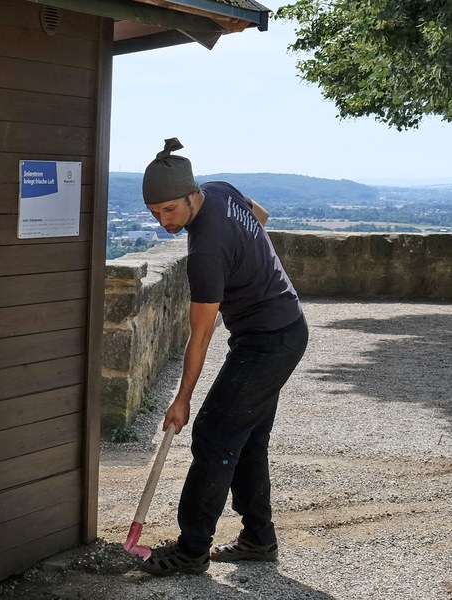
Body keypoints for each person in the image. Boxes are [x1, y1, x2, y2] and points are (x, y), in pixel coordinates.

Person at [136, 138, 309, 576]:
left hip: (268, 341)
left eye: (170, 211)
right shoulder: (222, 190)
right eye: (155, 214)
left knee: (214, 432)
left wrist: (182, 399)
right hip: (283, 326)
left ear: (192, 195)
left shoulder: (205, 252)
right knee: (246, 435)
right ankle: (258, 538)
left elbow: (199, 337)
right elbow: (261, 217)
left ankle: (192, 549)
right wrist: (253, 265)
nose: (164, 223)